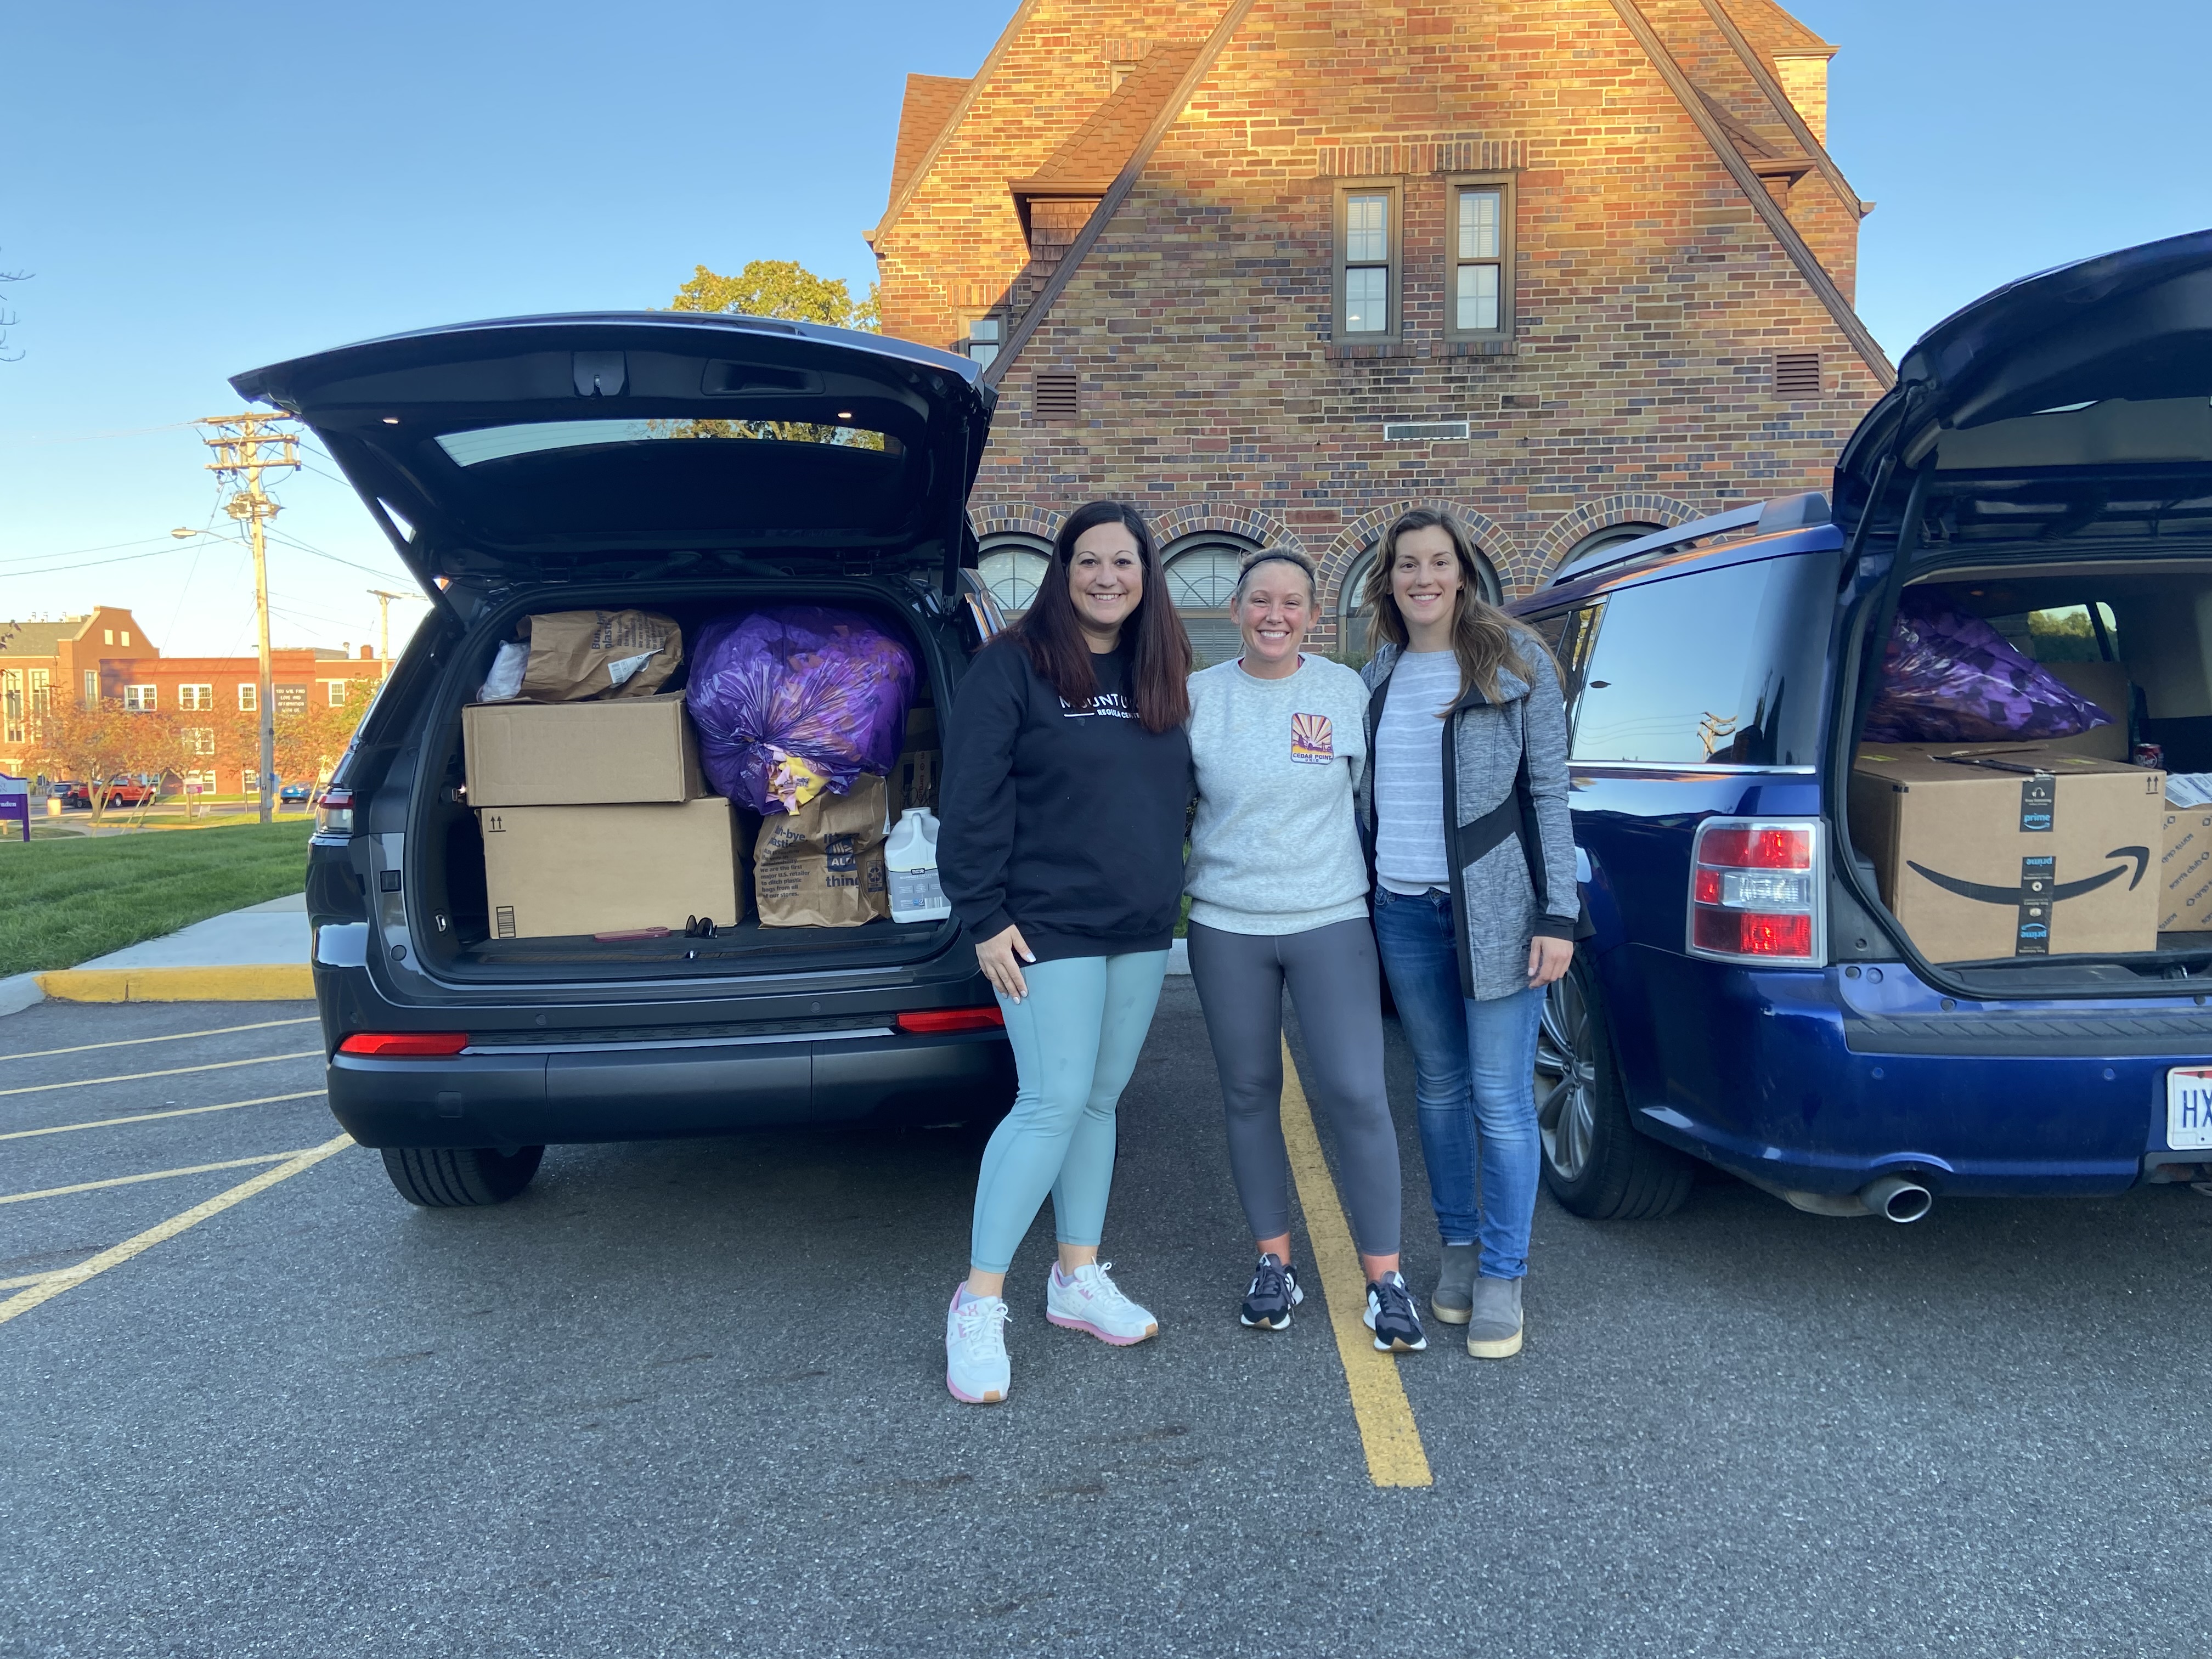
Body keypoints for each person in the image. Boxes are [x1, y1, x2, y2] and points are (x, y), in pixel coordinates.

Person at [934, 500, 1195, 1404]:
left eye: (1124, 563)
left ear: (1145, 574)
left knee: (1099, 1101)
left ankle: (1076, 1278)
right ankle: (977, 1301)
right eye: (1090, 561)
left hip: (1137, 924)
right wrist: (980, 914)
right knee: (1048, 1102)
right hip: (1043, 926)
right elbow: (967, 796)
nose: (1107, 578)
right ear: (1063, 569)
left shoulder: (1160, 666)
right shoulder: (1012, 666)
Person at [1183, 548, 1425, 1352]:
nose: (1274, 616)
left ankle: (1386, 1278)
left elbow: (1373, 802)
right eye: (1259, 602)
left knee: (1358, 1092)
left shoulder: (1343, 691)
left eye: (1292, 603)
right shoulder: (1198, 699)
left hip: (1330, 918)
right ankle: (1273, 1263)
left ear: (1315, 617)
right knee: (1250, 1093)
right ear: (1235, 611)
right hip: (1227, 923)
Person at [1355, 509, 1577, 1361]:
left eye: (1437, 562)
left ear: (1462, 573)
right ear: (1390, 580)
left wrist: (1559, 916)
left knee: (1502, 1100)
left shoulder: (1517, 666)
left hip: (1498, 916)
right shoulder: (1378, 671)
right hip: (1403, 912)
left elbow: (1550, 799)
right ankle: (1456, 1252)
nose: (1423, 578)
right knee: (1438, 1091)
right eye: (1407, 564)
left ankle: (1503, 1274)